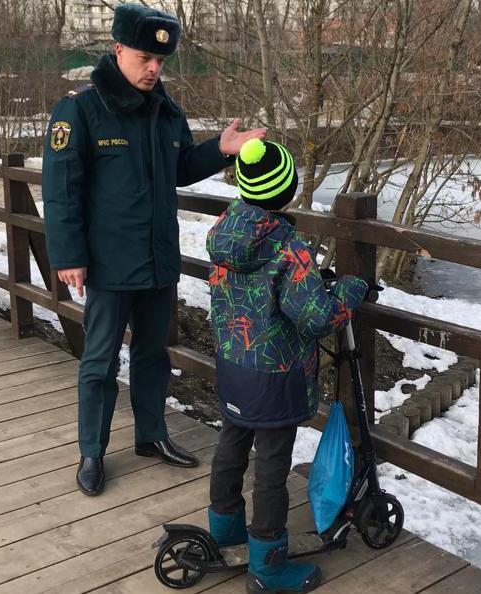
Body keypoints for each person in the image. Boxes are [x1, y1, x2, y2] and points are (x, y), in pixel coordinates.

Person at [42, 4, 265, 496]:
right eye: (145, 58)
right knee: (99, 361)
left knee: (152, 356)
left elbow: (180, 167)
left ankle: (152, 436)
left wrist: (220, 149)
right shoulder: (81, 108)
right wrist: (67, 255)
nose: (153, 69)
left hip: (158, 260)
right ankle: (91, 453)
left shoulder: (166, 111)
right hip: (107, 262)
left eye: (161, 62)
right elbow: (60, 189)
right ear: (118, 49)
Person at [205, 138, 368, 593]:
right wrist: (351, 290)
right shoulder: (288, 249)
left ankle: (224, 531)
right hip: (276, 375)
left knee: (232, 442)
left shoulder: (224, 231)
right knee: (273, 466)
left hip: (233, 363)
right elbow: (317, 318)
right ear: (288, 189)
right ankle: (268, 564)